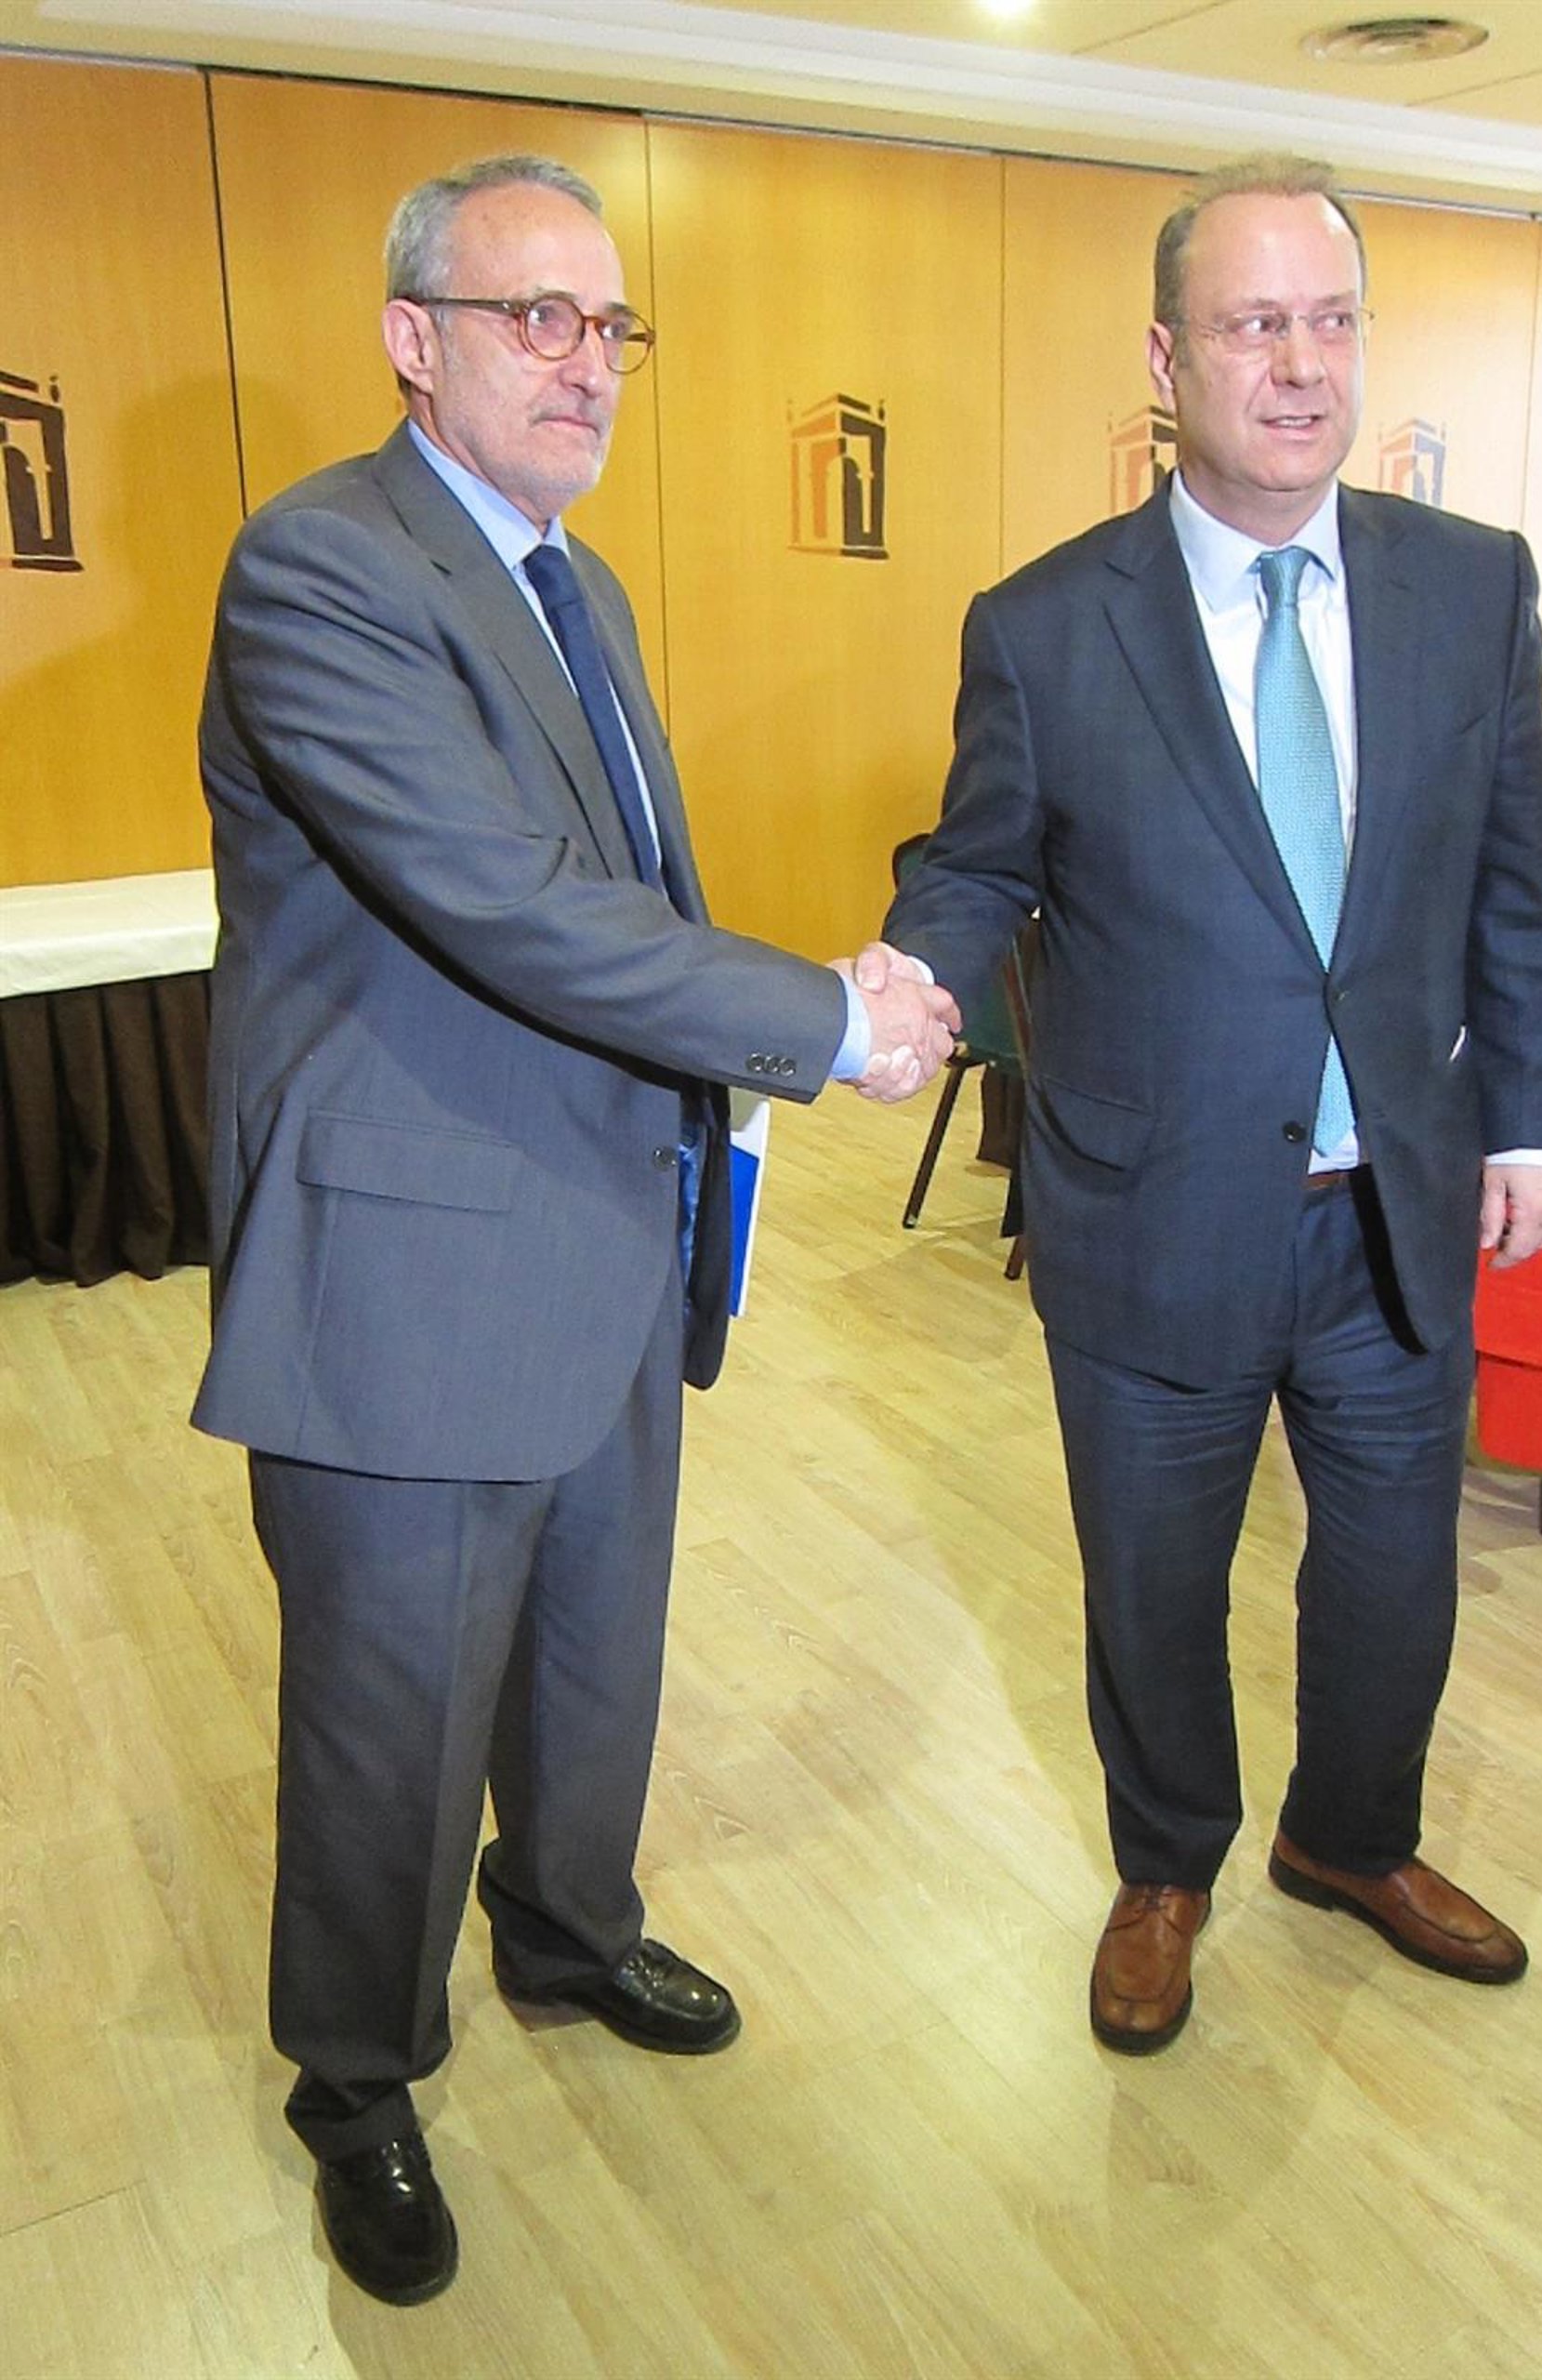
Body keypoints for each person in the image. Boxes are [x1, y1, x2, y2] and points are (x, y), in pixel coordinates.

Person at [193, 152, 957, 2305]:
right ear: (409, 339)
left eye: (610, 323)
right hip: (417, 1260)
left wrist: (755, 1040)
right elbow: (506, 900)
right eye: (532, 314)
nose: (585, 359)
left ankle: (564, 1922)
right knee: (393, 1715)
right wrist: (826, 1014)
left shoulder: (576, 581)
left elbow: (616, 899)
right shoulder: (321, 566)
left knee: (595, 1650)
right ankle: (358, 2073)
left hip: (611, 1218)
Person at [881, 154, 1542, 2054]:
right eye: (1254, 322)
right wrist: (913, 974)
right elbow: (978, 863)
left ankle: (1352, 1837)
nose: (1298, 363)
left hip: (1393, 1208)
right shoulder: (1044, 624)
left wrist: (1532, 1117)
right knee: (1154, 1586)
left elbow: (1516, 883)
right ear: (1166, 357)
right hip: (1153, 1205)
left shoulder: (1473, 587)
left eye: (1330, 320)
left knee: (1395, 1577)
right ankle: (1167, 1863)